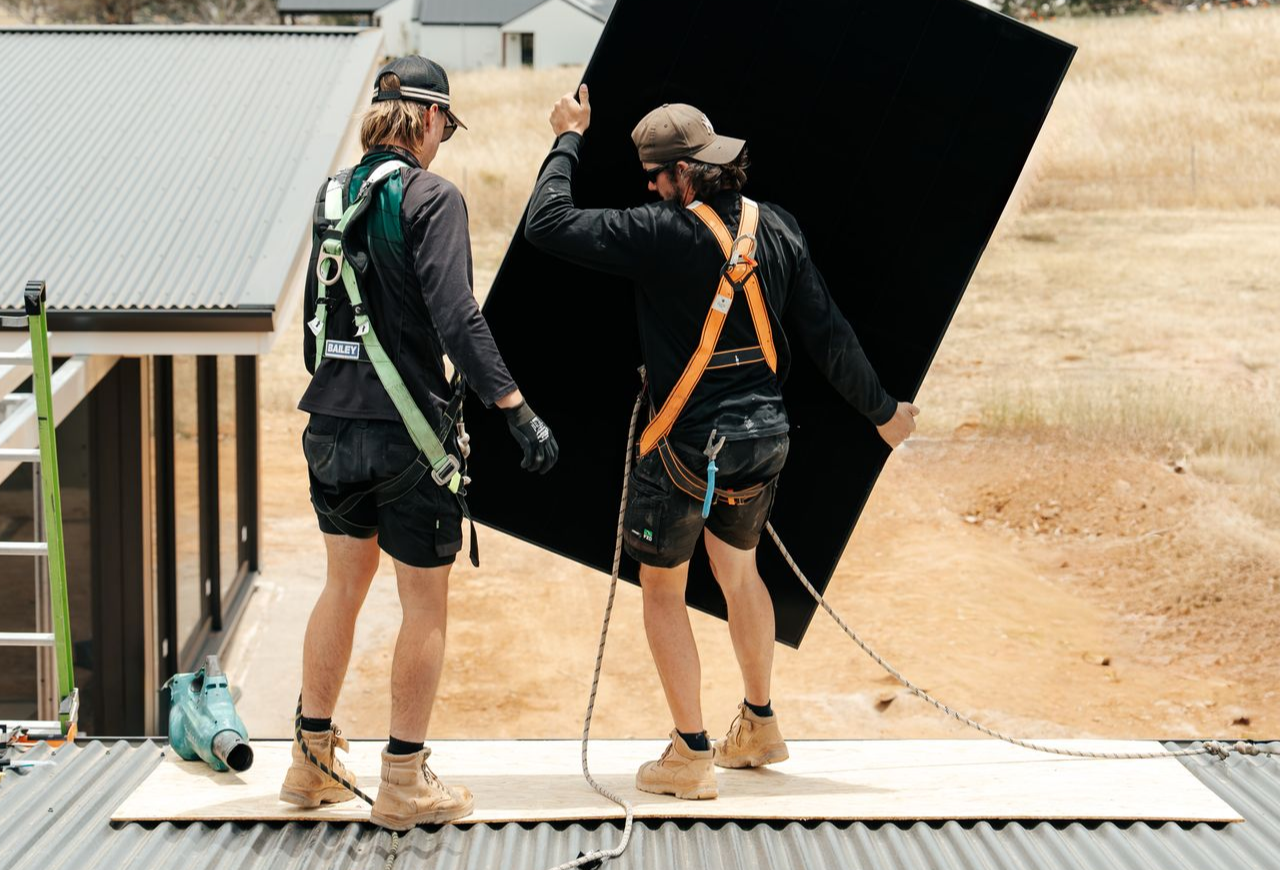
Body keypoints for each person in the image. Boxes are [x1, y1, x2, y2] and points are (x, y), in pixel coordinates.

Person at [524, 86, 917, 800]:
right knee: (740, 574)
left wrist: (568, 136)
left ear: (684, 172)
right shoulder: (780, 227)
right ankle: (760, 723)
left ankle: (690, 755)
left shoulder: (657, 231)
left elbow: (546, 222)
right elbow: (828, 334)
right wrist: (882, 411)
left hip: (685, 446)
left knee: (662, 593)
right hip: (765, 441)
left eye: (654, 174)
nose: (647, 185)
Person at [280, 56, 559, 828]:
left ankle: (310, 765)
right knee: (423, 603)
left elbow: (317, 316)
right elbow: (458, 316)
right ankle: (402, 782)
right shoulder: (432, 196)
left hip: (331, 426)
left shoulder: (332, 195)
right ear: (430, 120)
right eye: (445, 129)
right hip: (408, 442)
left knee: (342, 582)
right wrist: (515, 407)